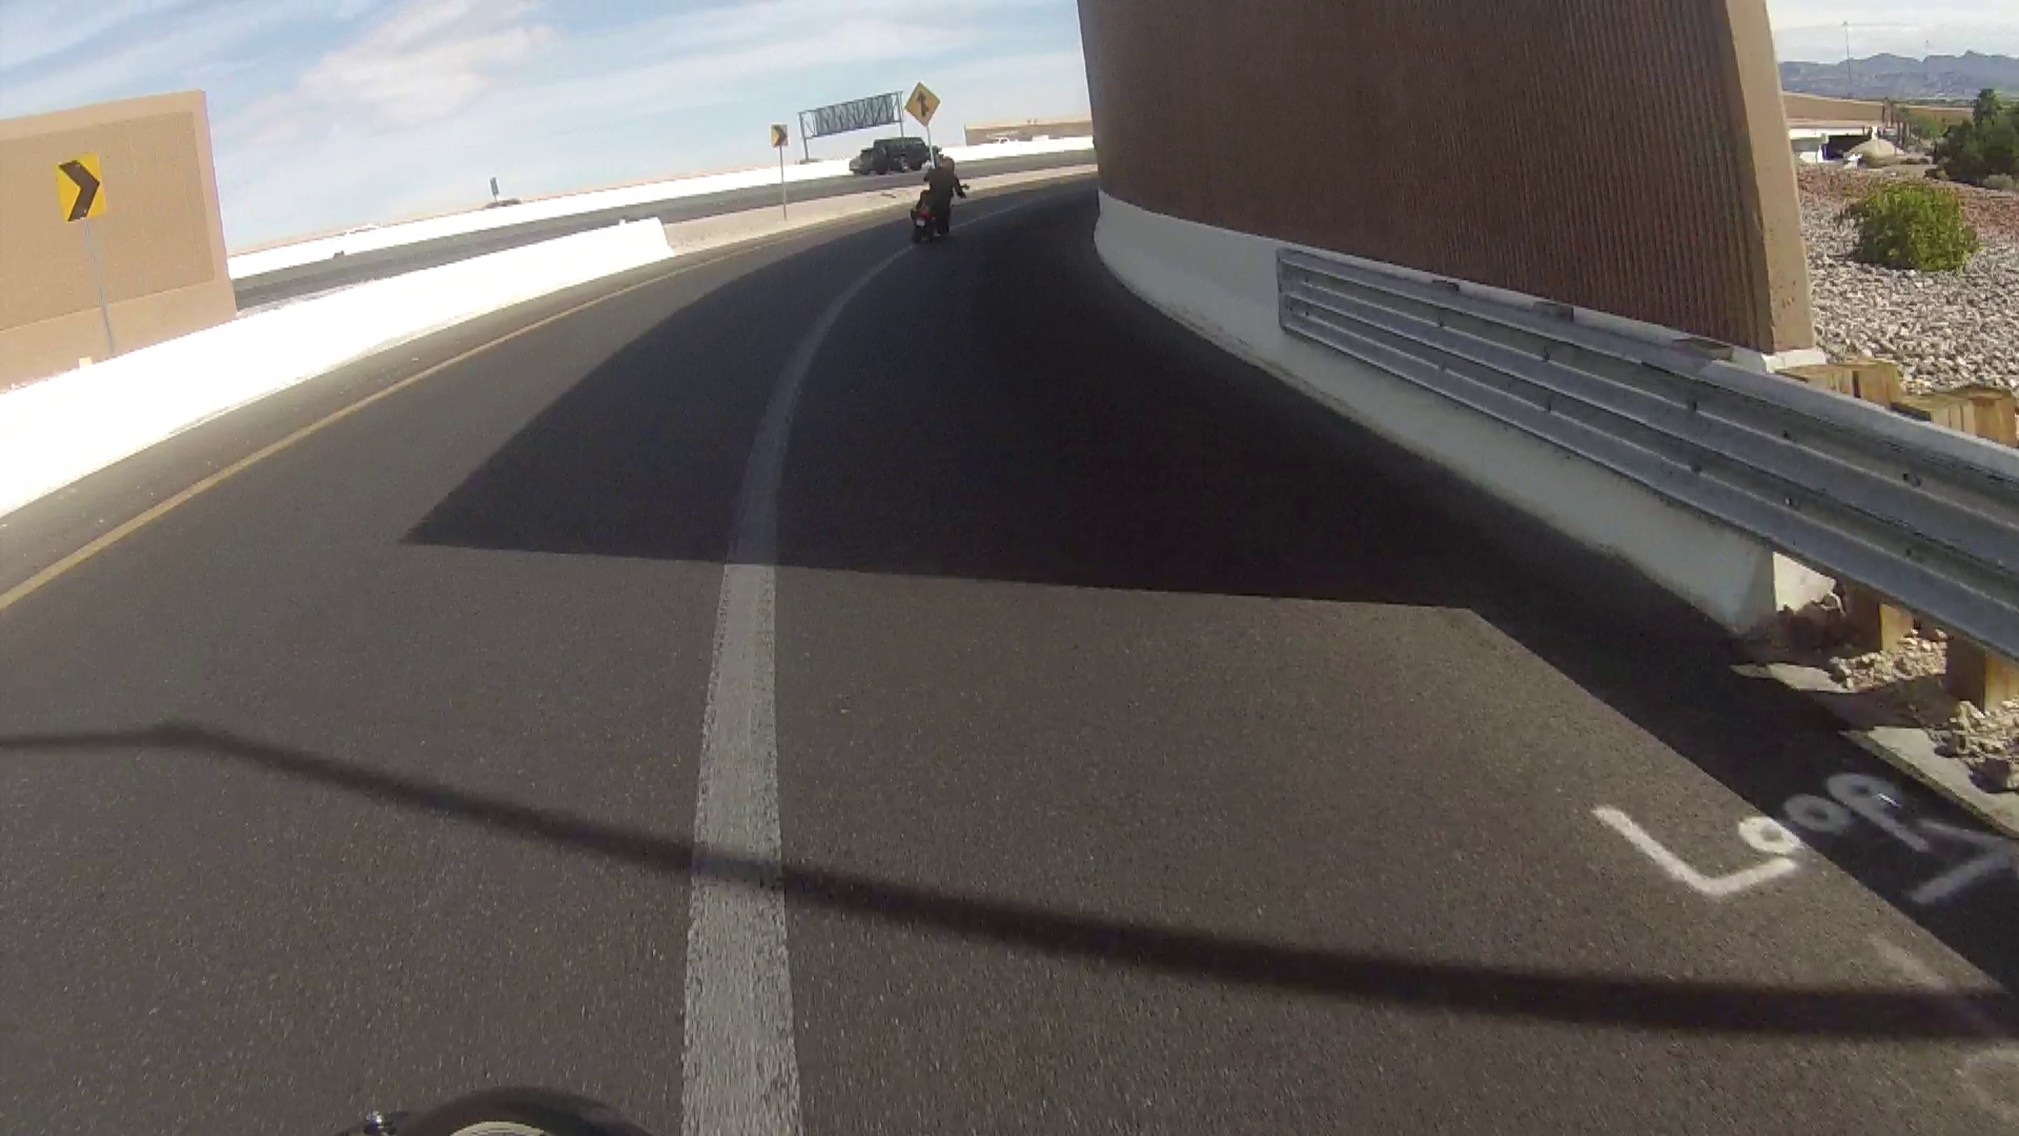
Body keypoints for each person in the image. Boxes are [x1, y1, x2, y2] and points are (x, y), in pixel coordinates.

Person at [922, 156, 967, 236]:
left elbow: (925, 179)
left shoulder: (934, 172)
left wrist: (929, 172)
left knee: (924, 196)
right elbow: (958, 189)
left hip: (931, 197)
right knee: (944, 214)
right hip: (943, 200)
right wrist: (962, 195)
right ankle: (939, 229)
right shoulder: (952, 176)